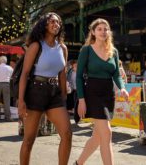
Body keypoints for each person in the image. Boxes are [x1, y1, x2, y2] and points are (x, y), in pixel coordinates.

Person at [18, 12, 72, 165]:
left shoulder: (63, 48)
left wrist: (63, 98)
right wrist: (21, 101)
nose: (56, 24)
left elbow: (62, 74)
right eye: (52, 22)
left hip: (54, 93)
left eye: (58, 22)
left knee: (67, 134)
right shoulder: (36, 46)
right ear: (44, 25)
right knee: (29, 139)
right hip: (35, 91)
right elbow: (25, 74)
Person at [75, 18, 129, 165]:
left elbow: (116, 74)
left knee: (98, 137)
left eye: (106, 29)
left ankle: (78, 163)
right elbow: (79, 77)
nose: (103, 32)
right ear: (93, 32)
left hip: (108, 94)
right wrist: (81, 100)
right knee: (107, 133)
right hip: (92, 92)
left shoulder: (114, 52)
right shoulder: (86, 50)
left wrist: (122, 88)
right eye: (99, 29)